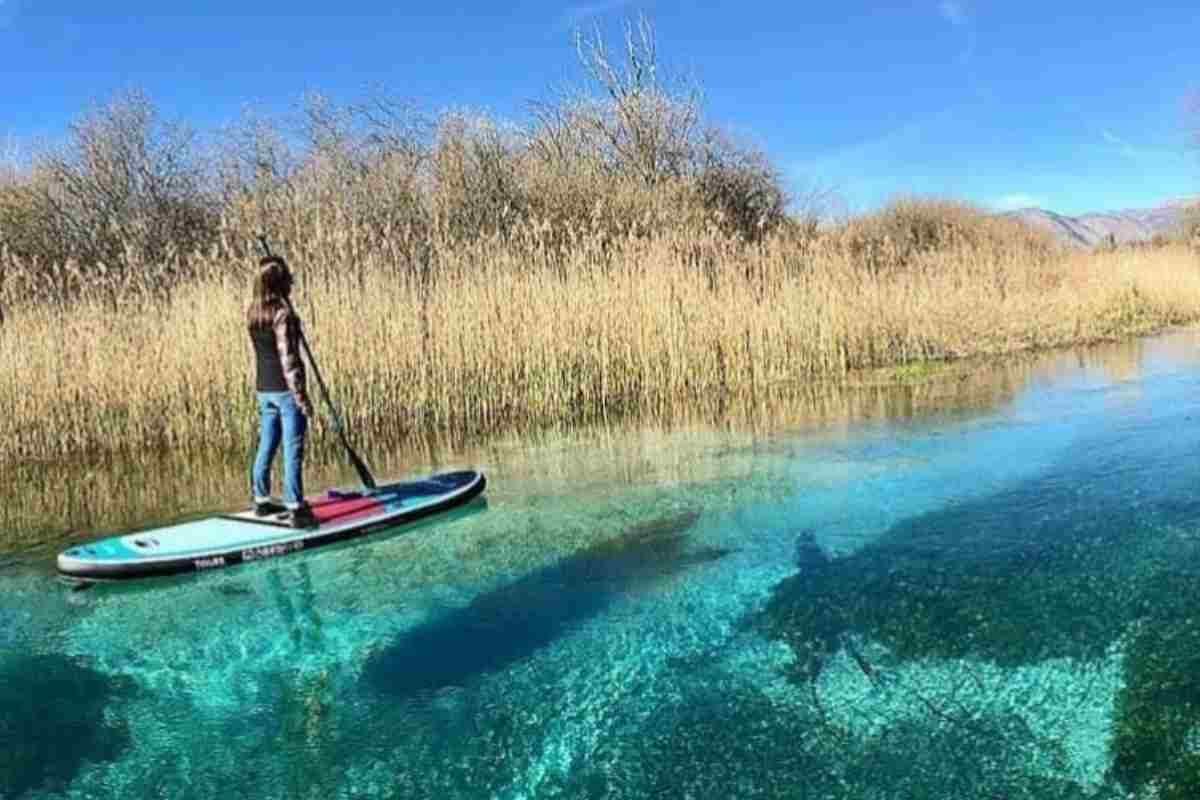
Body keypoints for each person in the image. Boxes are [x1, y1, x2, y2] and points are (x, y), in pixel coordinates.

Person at [246, 255, 317, 528]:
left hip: (263, 389)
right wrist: (301, 397)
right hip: (285, 391)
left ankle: (261, 499)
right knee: (292, 448)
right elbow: (288, 360)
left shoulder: (254, 311)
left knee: (267, 443)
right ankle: (296, 507)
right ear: (280, 282)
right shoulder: (282, 315)